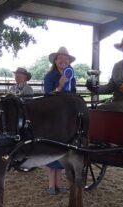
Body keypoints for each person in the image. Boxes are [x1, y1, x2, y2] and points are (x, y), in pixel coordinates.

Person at [43, 46, 76, 195]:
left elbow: (73, 94)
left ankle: (59, 183)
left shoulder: (72, 75)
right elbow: (47, 96)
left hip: (67, 115)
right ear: (55, 61)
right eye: (60, 58)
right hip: (53, 115)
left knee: (64, 148)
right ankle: (51, 184)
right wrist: (60, 86)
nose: (63, 60)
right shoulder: (49, 77)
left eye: (66, 58)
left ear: (69, 61)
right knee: (52, 148)